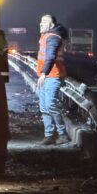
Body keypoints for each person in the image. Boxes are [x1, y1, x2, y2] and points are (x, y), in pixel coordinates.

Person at [36, 13, 69, 145]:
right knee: (44, 106)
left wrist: (43, 73)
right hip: (45, 76)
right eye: (40, 21)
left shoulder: (52, 37)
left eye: (44, 21)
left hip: (52, 76)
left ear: (52, 25)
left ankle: (63, 134)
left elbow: (50, 56)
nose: (41, 23)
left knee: (50, 105)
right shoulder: (45, 36)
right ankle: (49, 135)